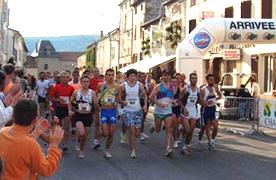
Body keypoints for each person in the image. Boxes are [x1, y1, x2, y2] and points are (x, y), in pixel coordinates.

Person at [0, 100, 64, 179]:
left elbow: (19, 145)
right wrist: (54, 145)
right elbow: (46, 169)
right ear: (35, 120)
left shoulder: (3, 132)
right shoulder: (30, 144)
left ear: (13, 116)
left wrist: (35, 133)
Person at [118, 69, 148, 158]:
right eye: (130, 76)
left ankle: (128, 138)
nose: (132, 77)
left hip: (138, 110)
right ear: (127, 77)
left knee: (137, 133)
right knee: (132, 130)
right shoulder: (122, 86)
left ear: (136, 77)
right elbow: (118, 98)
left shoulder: (140, 85)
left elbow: (145, 95)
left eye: (134, 76)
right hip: (128, 111)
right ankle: (133, 151)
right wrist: (123, 102)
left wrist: (145, 105)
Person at [71, 75, 97, 159]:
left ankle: (81, 150)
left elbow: (95, 105)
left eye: (87, 82)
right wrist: (72, 110)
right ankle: (78, 138)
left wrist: (96, 105)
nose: (86, 83)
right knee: (82, 132)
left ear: (89, 83)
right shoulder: (76, 92)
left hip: (88, 115)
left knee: (85, 135)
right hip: (79, 115)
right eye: (84, 82)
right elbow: (71, 102)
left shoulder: (92, 92)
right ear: (81, 82)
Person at [149, 70, 174, 157]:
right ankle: (154, 127)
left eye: (168, 75)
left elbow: (172, 97)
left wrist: (173, 101)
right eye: (165, 75)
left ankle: (168, 148)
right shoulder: (158, 86)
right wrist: (159, 104)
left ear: (170, 76)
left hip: (168, 111)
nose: (167, 77)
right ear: (162, 76)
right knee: (158, 129)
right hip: (158, 111)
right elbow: (151, 97)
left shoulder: (172, 86)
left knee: (169, 128)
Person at [49, 71, 75, 152]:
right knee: (59, 127)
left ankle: (65, 144)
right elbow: (51, 98)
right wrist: (58, 100)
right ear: (61, 78)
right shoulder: (56, 87)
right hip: (58, 108)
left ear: (69, 79)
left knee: (66, 126)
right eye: (63, 77)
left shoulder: (71, 88)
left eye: (67, 78)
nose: (65, 79)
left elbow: (73, 98)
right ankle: (59, 142)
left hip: (67, 108)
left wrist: (72, 104)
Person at [98, 69, 119, 159]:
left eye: (112, 75)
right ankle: (100, 133)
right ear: (105, 76)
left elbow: (118, 97)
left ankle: (107, 150)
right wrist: (97, 103)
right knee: (105, 134)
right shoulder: (101, 85)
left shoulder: (117, 87)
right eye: (109, 75)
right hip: (103, 112)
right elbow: (96, 96)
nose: (110, 77)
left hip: (112, 112)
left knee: (111, 133)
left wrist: (118, 103)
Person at [199, 74, 222, 150]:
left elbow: (219, 95)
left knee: (215, 127)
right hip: (205, 110)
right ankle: (204, 142)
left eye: (213, 79)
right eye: (210, 80)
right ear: (207, 80)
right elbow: (200, 100)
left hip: (213, 109)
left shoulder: (215, 87)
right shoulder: (203, 89)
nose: (212, 81)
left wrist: (215, 100)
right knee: (205, 127)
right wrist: (205, 103)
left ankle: (212, 140)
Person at [179, 73, 200, 154]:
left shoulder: (198, 89)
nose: (194, 80)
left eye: (196, 78)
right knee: (188, 130)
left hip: (193, 111)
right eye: (193, 78)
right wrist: (184, 108)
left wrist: (205, 103)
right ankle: (182, 129)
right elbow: (179, 99)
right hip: (186, 111)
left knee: (191, 131)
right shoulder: (186, 89)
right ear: (190, 79)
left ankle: (185, 147)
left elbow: (199, 100)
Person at [90, 67, 103, 150]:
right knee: (93, 123)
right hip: (91, 103)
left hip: (101, 103)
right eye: (95, 71)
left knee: (98, 123)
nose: (96, 73)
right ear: (92, 73)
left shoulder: (102, 82)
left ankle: (96, 140)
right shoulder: (90, 81)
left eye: (97, 71)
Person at [170, 76, 182, 149]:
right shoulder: (169, 89)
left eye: (175, 82)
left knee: (178, 125)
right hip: (171, 108)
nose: (174, 83)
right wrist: (172, 101)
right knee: (174, 125)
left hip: (178, 108)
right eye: (172, 82)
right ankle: (175, 140)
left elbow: (180, 98)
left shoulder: (179, 89)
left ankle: (177, 138)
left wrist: (177, 101)